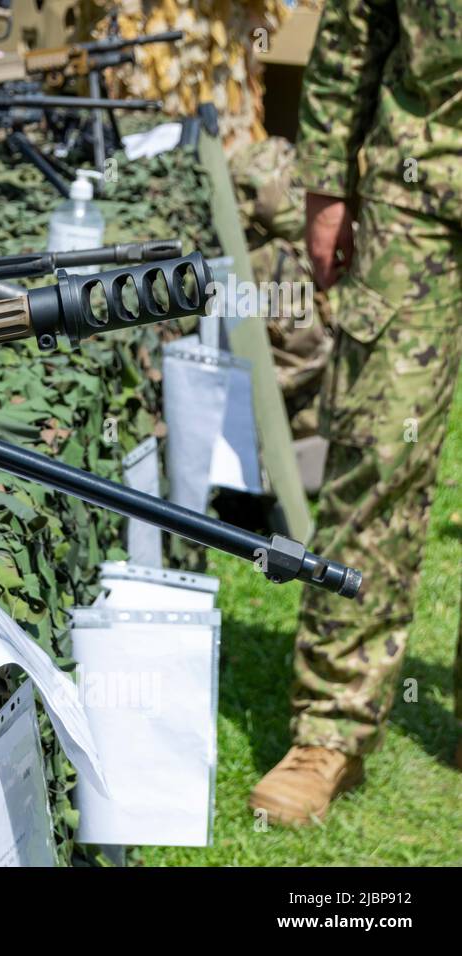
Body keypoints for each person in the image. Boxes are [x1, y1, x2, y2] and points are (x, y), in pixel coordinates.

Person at [248, 0, 462, 826]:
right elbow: (353, 23)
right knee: (377, 448)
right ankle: (329, 730)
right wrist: (329, 183)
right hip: (419, 188)